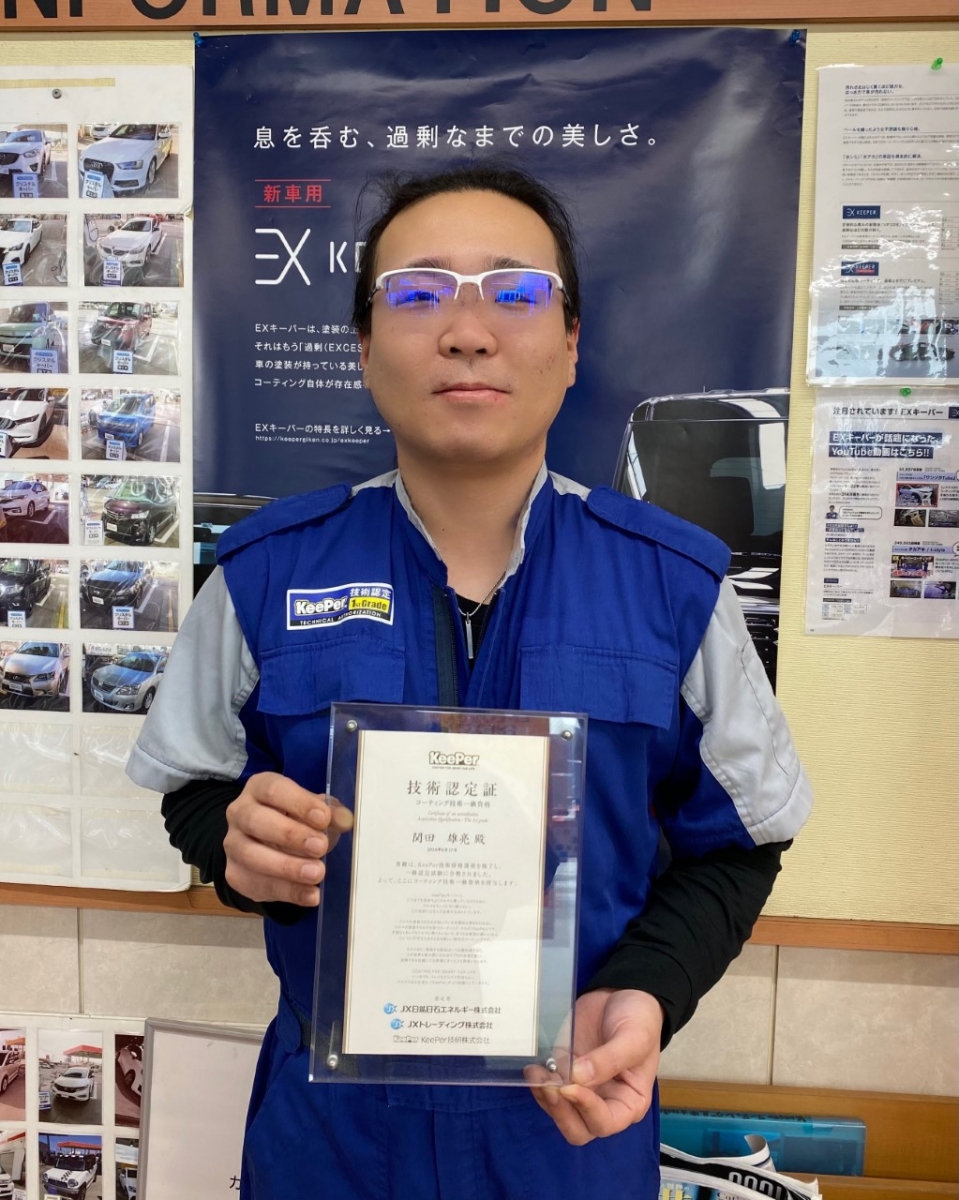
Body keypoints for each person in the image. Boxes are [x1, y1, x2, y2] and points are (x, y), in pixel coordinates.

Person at [128, 164, 812, 1200]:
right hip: (328, 1142)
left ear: (570, 343)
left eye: (515, 291)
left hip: (566, 1129)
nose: (466, 330)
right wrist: (235, 847)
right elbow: (196, 790)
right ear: (363, 348)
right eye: (417, 292)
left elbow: (741, 846)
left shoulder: (673, 587)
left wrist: (646, 990)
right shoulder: (264, 575)